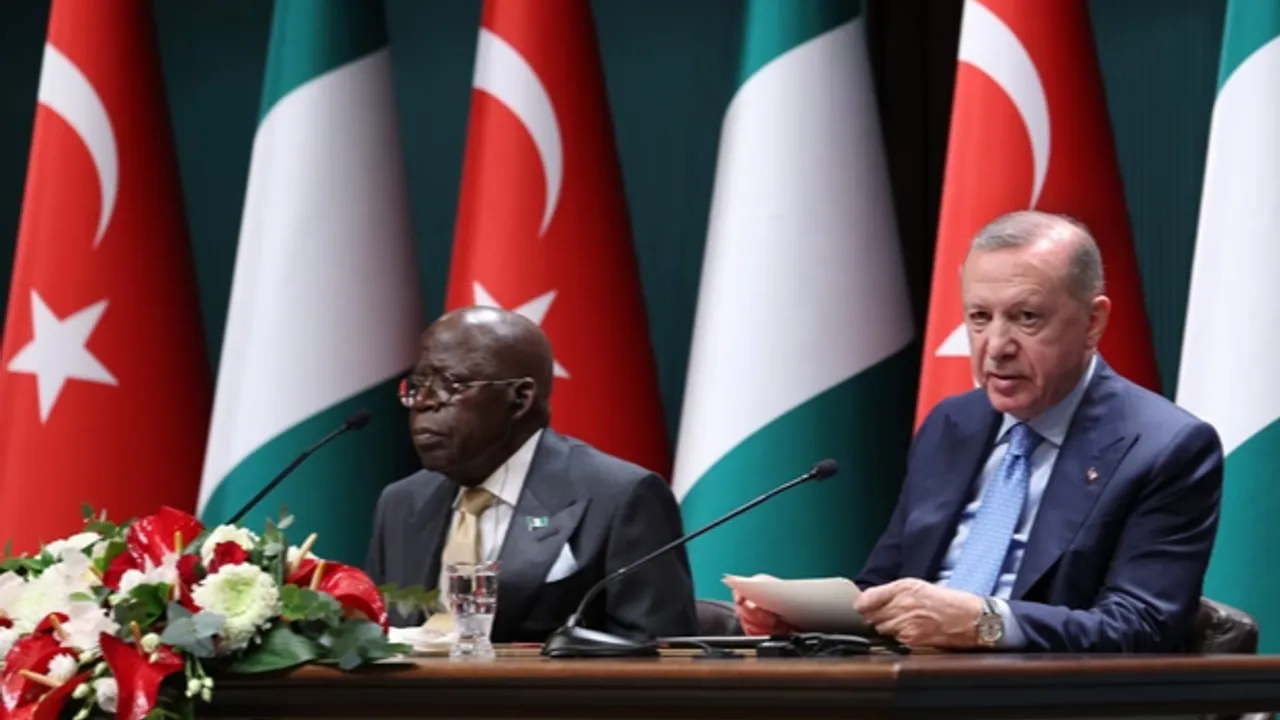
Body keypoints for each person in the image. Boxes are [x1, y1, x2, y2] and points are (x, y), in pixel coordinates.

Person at [736, 210, 1223, 652]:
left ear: (1093, 322)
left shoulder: (1164, 447)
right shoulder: (953, 424)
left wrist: (986, 623)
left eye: (1026, 318)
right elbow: (884, 586)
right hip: (911, 687)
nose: (996, 346)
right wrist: (807, 618)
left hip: (1043, 699)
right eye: (979, 318)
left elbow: (1141, 626)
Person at [365, 306, 698, 643]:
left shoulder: (620, 497)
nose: (423, 402)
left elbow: (659, 653)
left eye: (448, 385)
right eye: (417, 385)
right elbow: (375, 637)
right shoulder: (402, 502)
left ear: (520, 398)